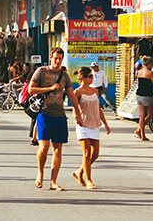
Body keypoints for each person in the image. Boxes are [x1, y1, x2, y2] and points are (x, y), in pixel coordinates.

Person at [28, 46, 83, 191]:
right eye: (56, 58)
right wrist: (50, 88)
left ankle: (53, 181)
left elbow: (71, 94)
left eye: (60, 59)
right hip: (44, 114)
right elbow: (31, 89)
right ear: (51, 57)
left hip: (59, 115)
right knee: (44, 147)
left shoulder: (64, 76)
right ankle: (40, 174)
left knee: (58, 149)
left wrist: (78, 113)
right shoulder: (41, 71)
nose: (58, 61)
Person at [71, 66, 111, 189]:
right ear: (83, 77)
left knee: (95, 154)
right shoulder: (77, 92)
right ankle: (88, 180)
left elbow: (98, 108)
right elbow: (75, 108)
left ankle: (79, 172)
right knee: (87, 153)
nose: (92, 78)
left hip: (94, 123)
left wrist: (106, 123)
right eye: (90, 76)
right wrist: (77, 118)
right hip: (83, 124)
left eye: (92, 76)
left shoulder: (95, 91)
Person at [135, 56, 153, 141]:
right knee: (151, 114)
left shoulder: (139, 72)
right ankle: (139, 130)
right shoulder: (150, 73)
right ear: (150, 63)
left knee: (142, 116)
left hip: (139, 95)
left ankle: (142, 135)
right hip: (147, 95)